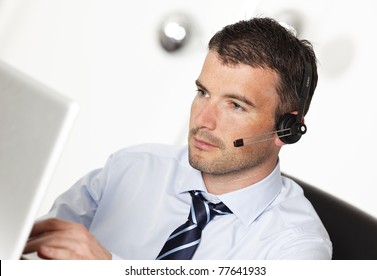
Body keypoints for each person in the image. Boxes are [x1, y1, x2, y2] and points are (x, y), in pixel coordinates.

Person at [23, 17, 332, 260]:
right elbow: (26, 254)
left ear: (286, 129)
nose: (203, 120)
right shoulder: (132, 168)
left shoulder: (295, 248)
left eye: (235, 105)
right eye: (203, 93)